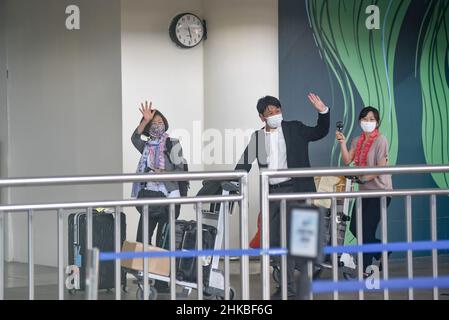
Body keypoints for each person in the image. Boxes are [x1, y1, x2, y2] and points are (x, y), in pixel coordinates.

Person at [235, 94, 330, 299]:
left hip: (297, 189)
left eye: (277, 111)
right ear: (262, 117)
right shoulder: (258, 137)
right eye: (270, 113)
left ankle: (305, 278)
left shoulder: (294, 128)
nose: (275, 115)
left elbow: (320, 131)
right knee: (277, 242)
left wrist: (323, 111)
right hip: (272, 194)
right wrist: (232, 182)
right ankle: (287, 287)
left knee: (298, 241)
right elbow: (244, 163)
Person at [336, 106, 393, 275]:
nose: (368, 122)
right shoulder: (356, 140)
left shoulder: (381, 140)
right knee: (355, 228)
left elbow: (380, 169)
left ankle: (366, 269)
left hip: (380, 192)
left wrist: (364, 178)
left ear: (377, 122)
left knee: (366, 231)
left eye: (371, 119)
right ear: (360, 121)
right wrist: (342, 143)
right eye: (365, 119)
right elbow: (347, 160)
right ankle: (381, 251)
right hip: (363, 192)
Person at [131, 101, 188, 246]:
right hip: (149, 196)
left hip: (168, 197)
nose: (158, 124)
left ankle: (163, 269)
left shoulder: (173, 143)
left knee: (164, 242)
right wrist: (145, 120)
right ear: (149, 127)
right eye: (154, 122)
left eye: (160, 121)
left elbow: (180, 170)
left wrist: (162, 172)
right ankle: (143, 268)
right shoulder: (146, 146)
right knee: (142, 240)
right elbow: (135, 138)